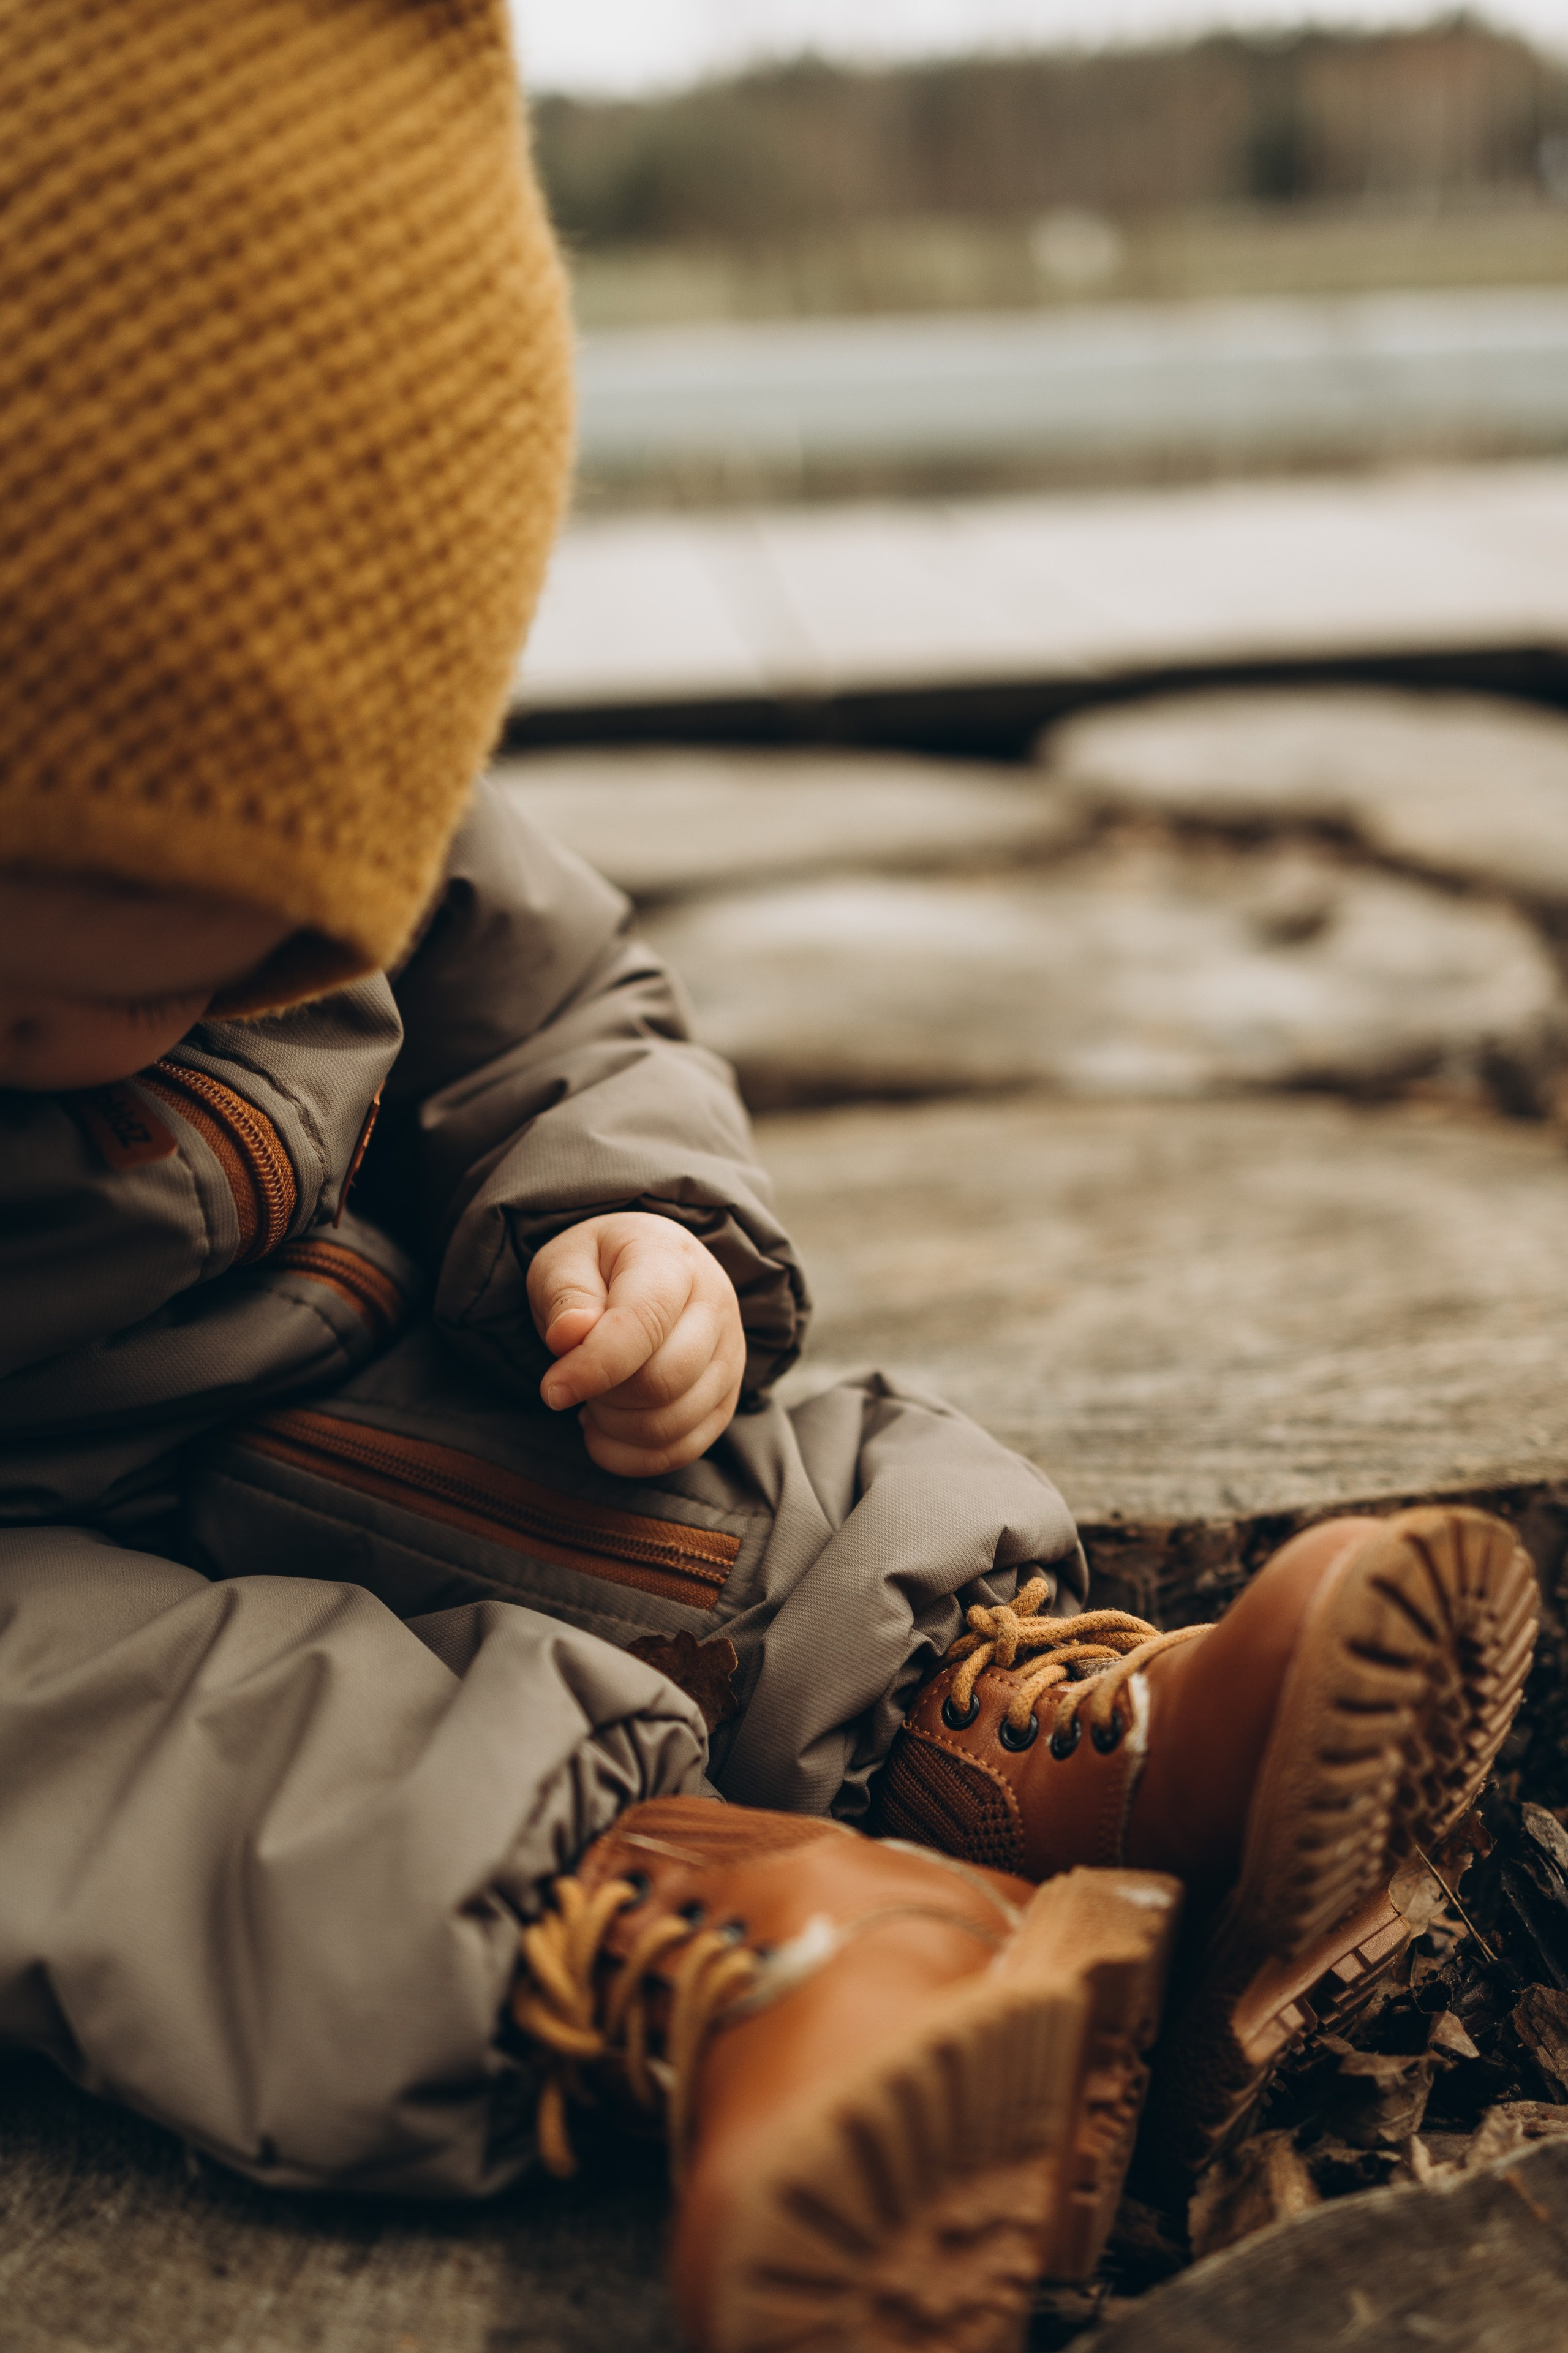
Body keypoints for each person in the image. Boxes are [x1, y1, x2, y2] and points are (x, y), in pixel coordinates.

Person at [0, 7, 1537, 2349]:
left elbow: (567, 1012)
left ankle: (1037, 1736)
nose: (139, 1041)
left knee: (681, 1464)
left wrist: (637, 1226)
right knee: (127, 1754)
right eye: (46, 990)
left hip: (307, 1378)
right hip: (42, 1566)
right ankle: (727, 1943)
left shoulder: (355, 775)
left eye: (249, 959)